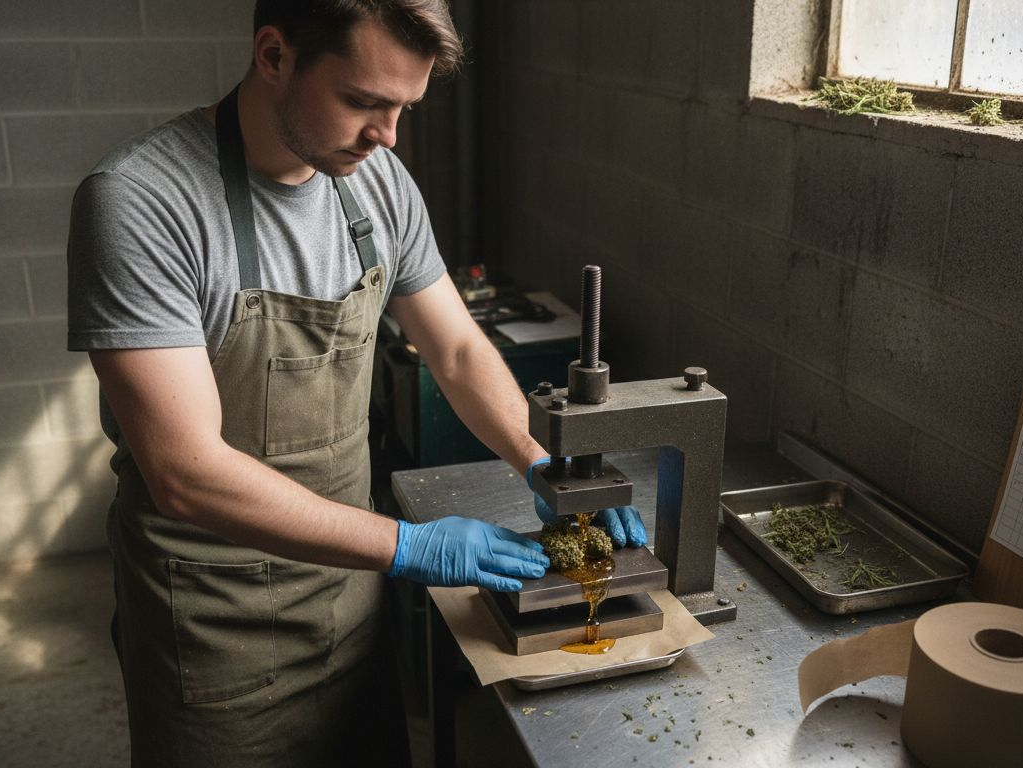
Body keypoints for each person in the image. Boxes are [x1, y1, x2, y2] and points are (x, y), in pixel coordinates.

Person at [66, 1, 646, 765]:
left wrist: (543, 463)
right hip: (214, 630)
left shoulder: (378, 184)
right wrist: (408, 545)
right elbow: (185, 473)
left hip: (350, 596)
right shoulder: (141, 203)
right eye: (364, 102)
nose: (388, 135)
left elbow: (460, 352)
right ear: (273, 55)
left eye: (405, 106)